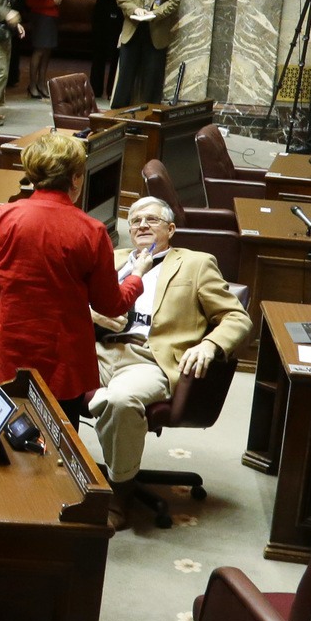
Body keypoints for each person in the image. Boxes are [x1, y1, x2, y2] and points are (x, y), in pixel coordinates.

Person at [0, 132, 144, 422]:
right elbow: (110, 304)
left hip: (1, 349)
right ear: (76, 178)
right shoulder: (92, 231)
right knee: (58, 448)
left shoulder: (3, 216)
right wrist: (137, 277)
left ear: (33, 176)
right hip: (61, 359)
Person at [87, 198, 250, 504]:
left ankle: (118, 493)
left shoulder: (195, 263)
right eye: (135, 221)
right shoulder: (112, 259)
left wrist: (209, 344)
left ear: (171, 229)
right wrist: (92, 315)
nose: (142, 225)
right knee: (38, 374)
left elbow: (237, 317)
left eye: (151, 220)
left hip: (150, 359)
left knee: (119, 400)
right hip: (97, 350)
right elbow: (72, 300)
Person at [111, 0, 179, 106]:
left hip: (155, 34)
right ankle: (116, 117)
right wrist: (135, 9)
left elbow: (174, 1)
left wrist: (155, 13)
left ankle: (149, 120)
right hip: (133, 30)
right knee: (125, 79)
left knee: (152, 81)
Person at [22, 0, 68, 98]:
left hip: (53, 17)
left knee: (48, 51)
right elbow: (30, 1)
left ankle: (42, 82)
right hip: (41, 17)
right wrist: (51, 2)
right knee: (39, 50)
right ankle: (32, 84)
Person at [86, 0, 121, 98]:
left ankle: (112, 90)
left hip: (117, 15)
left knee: (116, 55)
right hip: (101, 16)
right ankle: (95, 89)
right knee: (98, 53)